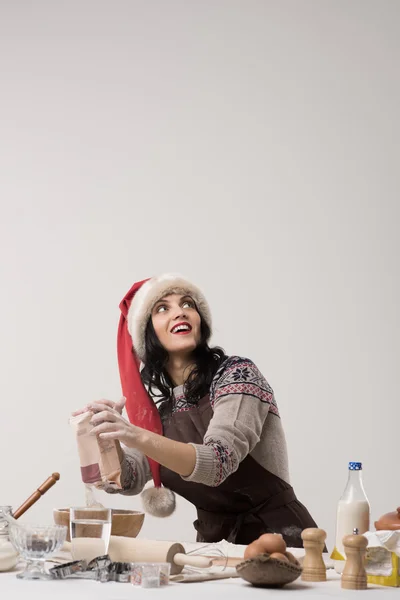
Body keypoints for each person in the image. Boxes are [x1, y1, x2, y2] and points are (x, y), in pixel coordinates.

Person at [74, 273, 321, 546]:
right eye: (162, 308)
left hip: (283, 542)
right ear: (147, 333)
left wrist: (133, 434)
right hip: (215, 550)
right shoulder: (164, 413)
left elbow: (219, 462)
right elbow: (127, 479)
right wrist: (108, 437)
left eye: (188, 304)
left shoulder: (238, 375)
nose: (180, 312)